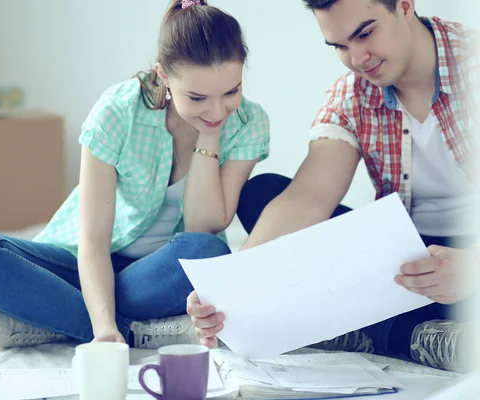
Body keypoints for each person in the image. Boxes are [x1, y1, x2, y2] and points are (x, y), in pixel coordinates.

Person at [0, 0, 269, 350]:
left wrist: (209, 134)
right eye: (198, 96)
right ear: (163, 76)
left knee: (208, 252)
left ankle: (54, 317)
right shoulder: (118, 111)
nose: (218, 109)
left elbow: (202, 227)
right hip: (81, 264)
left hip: (156, 275)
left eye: (231, 91)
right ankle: (133, 332)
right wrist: (103, 329)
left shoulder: (248, 123)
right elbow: (94, 242)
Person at [187, 0, 478, 372]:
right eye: (339, 46)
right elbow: (308, 198)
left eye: (365, 33)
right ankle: (425, 333)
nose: (357, 57)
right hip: (414, 263)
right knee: (263, 194)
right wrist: (232, 291)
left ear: (405, 5)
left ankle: (394, 332)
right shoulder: (352, 96)